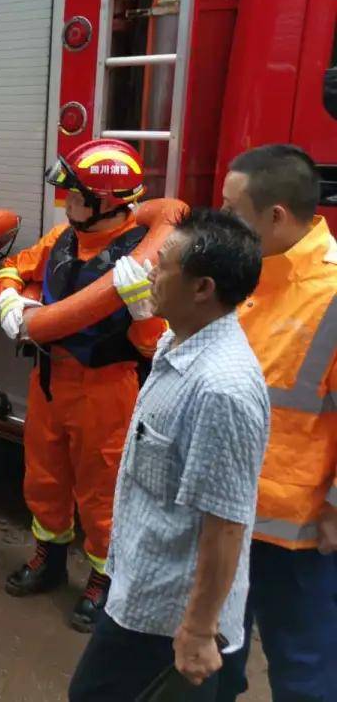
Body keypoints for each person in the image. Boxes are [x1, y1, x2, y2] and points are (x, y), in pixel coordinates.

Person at [69, 208, 269, 702]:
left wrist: (199, 631)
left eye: (163, 265)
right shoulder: (178, 343)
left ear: (202, 288)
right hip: (139, 586)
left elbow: (225, 523)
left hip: (166, 613)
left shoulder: (221, 389)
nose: (150, 272)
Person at [0, 138, 168, 631]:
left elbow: (156, 350)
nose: (64, 200)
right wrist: (11, 300)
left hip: (106, 388)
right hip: (49, 379)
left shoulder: (143, 256)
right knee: (44, 475)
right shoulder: (60, 240)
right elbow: (12, 266)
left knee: (102, 490)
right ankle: (47, 558)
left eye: (74, 193)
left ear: (106, 201)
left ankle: (103, 577)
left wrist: (143, 311)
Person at [215, 145, 337, 702]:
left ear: (276, 217)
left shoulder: (330, 296)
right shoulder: (253, 273)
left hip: (298, 531)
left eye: (231, 209)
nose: (221, 221)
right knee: (216, 655)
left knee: (304, 669)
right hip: (229, 512)